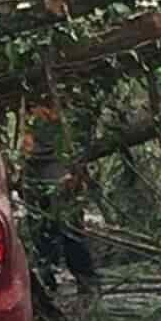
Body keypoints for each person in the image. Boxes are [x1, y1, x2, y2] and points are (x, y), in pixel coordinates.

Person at [20, 96, 98, 294]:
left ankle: (84, 279)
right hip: (38, 180)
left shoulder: (65, 122)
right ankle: (52, 279)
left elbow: (78, 150)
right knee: (44, 233)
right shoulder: (33, 122)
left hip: (59, 179)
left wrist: (74, 176)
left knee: (69, 232)